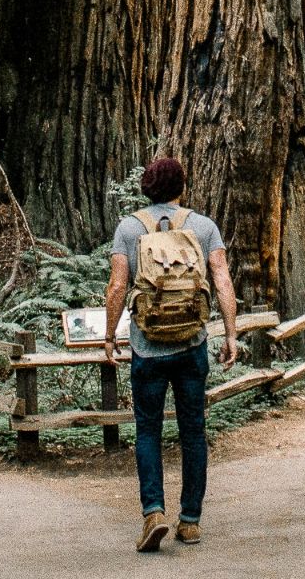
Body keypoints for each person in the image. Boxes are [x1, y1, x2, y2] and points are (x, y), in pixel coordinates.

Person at [104, 156, 239, 552]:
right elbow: (222, 279)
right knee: (193, 431)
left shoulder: (130, 227)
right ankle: (191, 521)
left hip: (147, 348)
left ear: (146, 187)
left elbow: (117, 286)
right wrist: (230, 333)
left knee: (147, 430)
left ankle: (153, 512)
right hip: (192, 345)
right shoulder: (203, 226)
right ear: (182, 186)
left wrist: (110, 336)